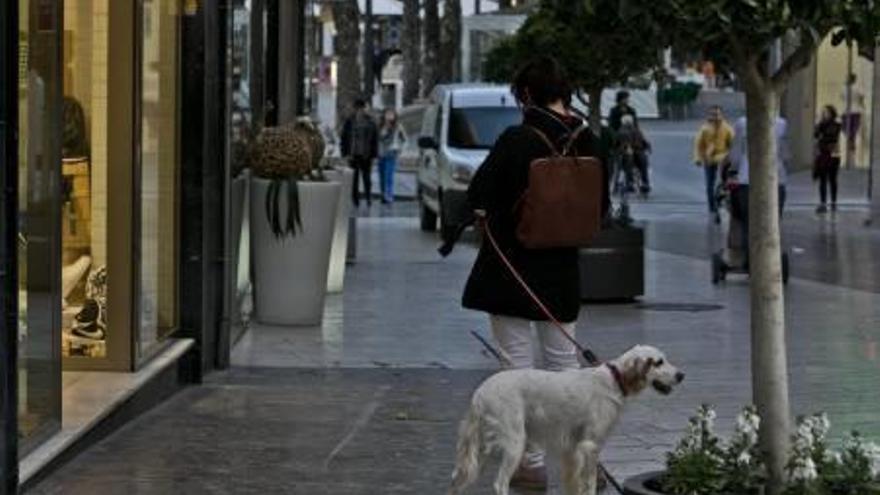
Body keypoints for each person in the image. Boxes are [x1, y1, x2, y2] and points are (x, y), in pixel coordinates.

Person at [461, 55, 610, 490]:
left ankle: (529, 463)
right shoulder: (593, 143)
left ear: (526, 95)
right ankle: (576, 461)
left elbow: (480, 194)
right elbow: (600, 208)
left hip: (511, 268)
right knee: (564, 371)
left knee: (515, 369)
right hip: (562, 270)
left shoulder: (516, 140)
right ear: (564, 92)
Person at [728, 115, 790, 268]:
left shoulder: (742, 123)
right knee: (772, 223)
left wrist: (733, 171)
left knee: (749, 222)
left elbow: (735, 155)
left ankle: (751, 260)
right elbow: (786, 153)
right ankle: (769, 260)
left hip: (747, 179)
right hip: (775, 179)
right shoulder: (782, 124)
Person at [693, 105, 734, 223]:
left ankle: (726, 198)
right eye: (713, 114)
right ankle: (712, 207)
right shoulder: (704, 129)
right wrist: (698, 158)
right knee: (709, 185)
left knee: (727, 181)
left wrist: (734, 158)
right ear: (709, 116)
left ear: (721, 115)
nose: (715, 117)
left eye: (717, 114)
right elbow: (698, 145)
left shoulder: (727, 128)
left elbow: (733, 145)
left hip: (723, 159)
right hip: (709, 159)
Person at [340, 99, 379, 207]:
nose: (359, 110)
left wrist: (374, 154)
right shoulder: (349, 121)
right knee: (354, 178)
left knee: (366, 178)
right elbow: (344, 138)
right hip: (353, 154)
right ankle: (355, 199)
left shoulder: (370, 122)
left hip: (366, 154)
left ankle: (368, 198)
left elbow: (374, 139)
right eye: (357, 108)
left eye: (361, 108)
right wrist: (345, 153)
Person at [813, 105, 842, 213]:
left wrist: (822, 133)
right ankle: (823, 203)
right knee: (823, 179)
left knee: (832, 179)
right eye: (823, 112)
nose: (824, 114)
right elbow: (815, 135)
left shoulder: (835, 125)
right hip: (824, 154)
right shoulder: (821, 124)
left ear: (831, 113)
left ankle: (833, 202)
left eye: (826, 112)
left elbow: (832, 135)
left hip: (832, 153)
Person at [377, 108, 407, 204]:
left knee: (388, 176)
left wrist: (399, 149)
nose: (389, 116)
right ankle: (383, 195)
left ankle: (389, 196)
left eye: (391, 114)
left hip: (391, 153)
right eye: (387, 114)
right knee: (381, 176)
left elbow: (405, 139)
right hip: (381, 153)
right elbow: (377, 139)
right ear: (384, 115)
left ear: (394, 116)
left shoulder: (398, 127)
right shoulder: (380, 126)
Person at [616, 114, 651, 194]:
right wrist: (623, 149)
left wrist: (647, 146)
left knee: (643, 159)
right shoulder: (621, 132)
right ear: (624, 123)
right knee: (629, 158)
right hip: (626, 153)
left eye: (630, 122)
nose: (629, 123)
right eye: (627, 122)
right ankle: (630, 182)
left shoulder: (638, 131)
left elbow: (643, 141)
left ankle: (645, 183)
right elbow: (616, 144)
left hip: (638, 151)